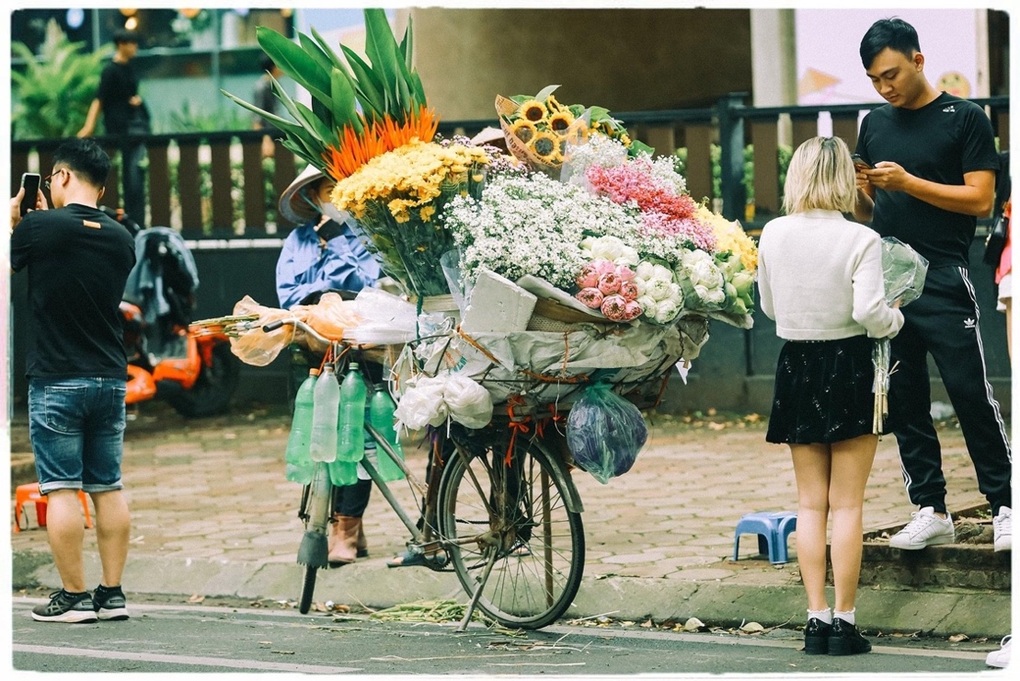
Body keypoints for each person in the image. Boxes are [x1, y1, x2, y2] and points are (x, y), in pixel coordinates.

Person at [852, 17, 1011, 554]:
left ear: (917, 61)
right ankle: (930, 507)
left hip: (944, 272)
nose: (885, 87)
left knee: (970, 391)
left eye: (891, 74)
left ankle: (1006, 504)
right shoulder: (874, 123)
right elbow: (876, 209)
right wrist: (861, 192)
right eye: (875, 79)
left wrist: (907, 183)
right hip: (888, 279)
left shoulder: (965, 118)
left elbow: (981, 200)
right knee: (904, 398)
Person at [758, 136, 904, 656]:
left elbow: (771, 309)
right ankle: (845, 622)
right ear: (845, 178)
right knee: (847, 505)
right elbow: (871, 313)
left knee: (808, 503)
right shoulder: (861, 239)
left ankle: (815, 619)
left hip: (795, 363)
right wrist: (897, 317)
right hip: (848, 365)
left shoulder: (772, 233)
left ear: (796, 175)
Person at [9, 138, 137, 623]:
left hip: (57, 377)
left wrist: (14, 223)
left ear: (60, 177)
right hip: (109, 376)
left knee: (61, 488)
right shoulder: (122, 237)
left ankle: (75, 597)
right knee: (108, 486)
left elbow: (12, 264)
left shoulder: (38, 227)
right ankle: (113, 592)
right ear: (101, 187)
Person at [276, 165, 381, 565]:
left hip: (360, 347)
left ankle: (346, 529)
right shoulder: (296, 241)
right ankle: (342, 519)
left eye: (339, 190)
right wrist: (321, 295)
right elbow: (289, 293)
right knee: (321, 436)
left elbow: (367, 284)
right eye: (326, 190)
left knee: (358, 436)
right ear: (312, 197)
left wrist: (337, 248)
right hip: (312, 348)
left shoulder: (366, 237)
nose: (332, 198)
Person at [78, 28, 149, 228]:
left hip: (134, 128)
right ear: (121, 45)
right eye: (131, 43)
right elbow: (99, 99)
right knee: (123, 173)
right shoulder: (111, 70)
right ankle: (122, 218)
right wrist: (89, 126)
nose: (134, 47)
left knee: (134, 173)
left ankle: (134, 218)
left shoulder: (129, 68)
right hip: (118, 129)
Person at [253, 53, 283, 158]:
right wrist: (265, 139)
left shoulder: (274, 84)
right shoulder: (261, 87)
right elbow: (257, 116)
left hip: (276, 133)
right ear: (273, 67)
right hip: (268, 136)